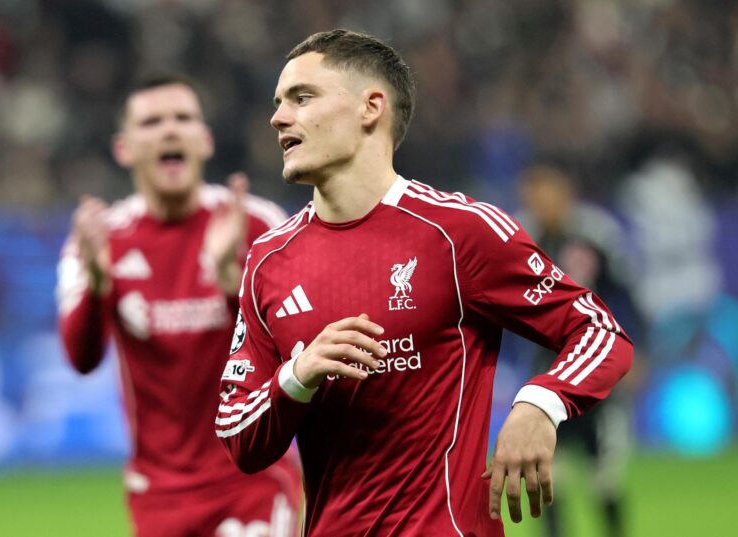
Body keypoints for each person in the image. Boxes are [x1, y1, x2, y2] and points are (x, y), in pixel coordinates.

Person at [215, 29, 633, 537]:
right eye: (279, 103)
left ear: (372, 107)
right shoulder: (268, 261)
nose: (279, 117)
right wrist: (297, 375)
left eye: (302, 98)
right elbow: (239, 435)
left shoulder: (460, 233)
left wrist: (539, 404)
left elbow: (598, 331)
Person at [56, 73, 302, 537]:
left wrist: (234, 286)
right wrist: (96, 283)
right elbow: (80, 358)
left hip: (250, 477)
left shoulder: (258, 224)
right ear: (124, 148)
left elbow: (297, 349)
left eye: (183, 118)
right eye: (152, 122)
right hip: (159, 495)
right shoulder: (99, 240)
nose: (170, 130)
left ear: (205, 141)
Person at [518, 163, 638, 537]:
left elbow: (625, 295)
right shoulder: (521, 238)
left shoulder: (596, 234)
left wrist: (633, 351)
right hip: (549, 372)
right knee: (550, 475)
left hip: (596, 368)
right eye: (535, 193)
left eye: (548, 191)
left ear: (567, 192)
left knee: (606, 475)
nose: (542, 201)